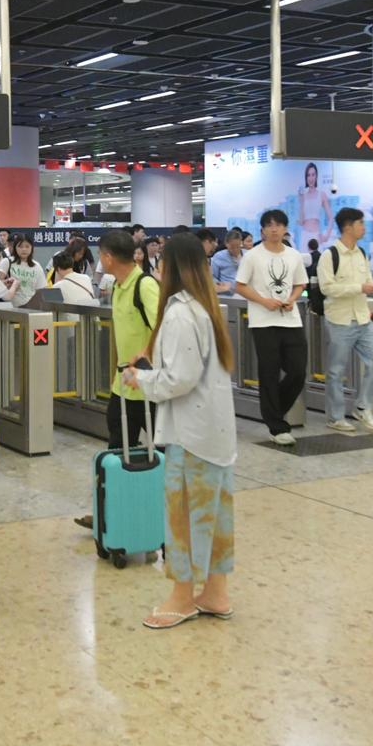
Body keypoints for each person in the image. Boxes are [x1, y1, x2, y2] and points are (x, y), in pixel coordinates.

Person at [122, 232, 237, 628]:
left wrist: (140, 379)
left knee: (184, 515)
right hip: (216, 432)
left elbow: (179, 379)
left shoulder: (179, 313)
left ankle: (183, 596)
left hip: (191, 434)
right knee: (216, 514)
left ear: (170, 267)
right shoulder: (207, 308)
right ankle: (216, 592)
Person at [75, 229, 160, 531]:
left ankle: (164, 512)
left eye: (101, 255)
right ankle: (109, 513)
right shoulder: (119, 286)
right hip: (123, 385)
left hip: (150, 386)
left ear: (109, 257)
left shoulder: (144, 286)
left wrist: (144, 357)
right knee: (117, 451)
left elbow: (164, 328)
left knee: (162, 452)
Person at [235, 210, 309, 446]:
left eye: (278, 225)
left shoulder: (293, 255)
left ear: (285, 229)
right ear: (263, 230)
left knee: (297, 371)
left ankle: (273, 410)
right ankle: (276, 427)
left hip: (290, 319)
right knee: (269, 372)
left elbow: (301, 283)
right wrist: (264, 301)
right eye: (269, 225)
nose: (274, 229)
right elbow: (240, 286)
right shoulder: (252, 256)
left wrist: (293, 299)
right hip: (263, 321)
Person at [319, 207, 373, 433]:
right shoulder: (330, 255)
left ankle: (362, 406)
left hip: (362, 318)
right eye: (361, 223)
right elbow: (327, 288)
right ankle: (335, 417)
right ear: (348, 227)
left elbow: (367, 281)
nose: (364, 228)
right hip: (340, 320)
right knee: (336, 371)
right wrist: (360, 287)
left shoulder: (362, 254)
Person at [296, 163, 334, 251]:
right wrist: (301, 201)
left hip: (317, 236)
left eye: (313, 175)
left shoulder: (322, 195)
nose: (311, 178)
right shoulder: (303, 196)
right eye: (308, 175)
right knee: (304, 259)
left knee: (319, 259)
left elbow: (331, 218)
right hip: (305, 236)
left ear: (316, 176)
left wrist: (326, 236)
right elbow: (301, 222)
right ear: (306, 177)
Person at [6, 235, 45, 307]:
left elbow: (40, 289)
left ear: (32, 248)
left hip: (31, 307)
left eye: (27, 246)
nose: (24, 249)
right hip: (11, 307)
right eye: (20, 247)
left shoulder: (37, 266)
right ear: (15, 248)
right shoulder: (7, 262)